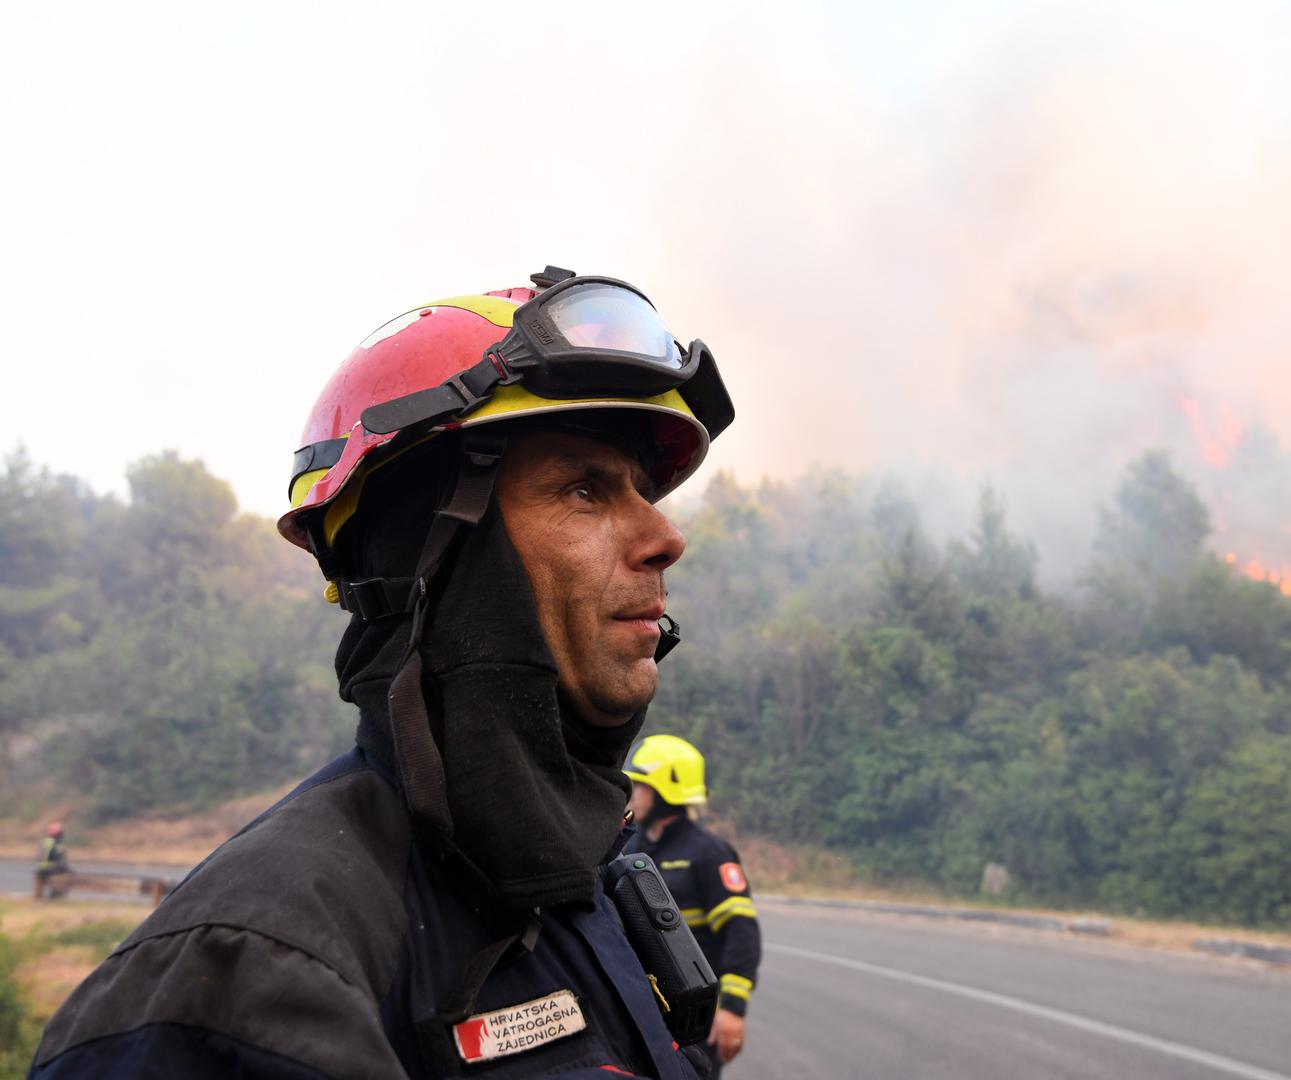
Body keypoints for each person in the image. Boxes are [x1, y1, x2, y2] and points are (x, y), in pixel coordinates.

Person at [31, 266, 735, 1078]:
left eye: (645, 491)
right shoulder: (246, 976)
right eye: (583, 489)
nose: (664, 537)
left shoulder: (586, 881)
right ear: (432, 559)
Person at [623, 736, 760, 1076]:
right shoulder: (630, 849)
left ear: (667, 793)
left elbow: (741, 934)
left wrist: (733, 1009)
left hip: (695, 1022)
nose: (632, 792)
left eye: (641, 785)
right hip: (642, 1012)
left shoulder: (709, 853)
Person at [35, 822, 70, 899]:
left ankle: (40, 897)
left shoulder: (44, 841)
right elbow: (60, 859)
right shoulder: (56, 844)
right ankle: (55, 896)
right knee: (64, 875)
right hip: (50, 869)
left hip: (40, 868)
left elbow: (38, 856)